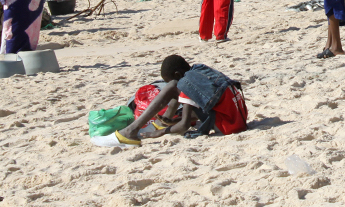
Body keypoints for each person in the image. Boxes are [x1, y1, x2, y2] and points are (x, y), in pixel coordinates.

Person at [92, 55, 247, 148]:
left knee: (174, 87)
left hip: (228, 126)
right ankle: (164, 120)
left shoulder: (186, 83)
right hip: (238, 119)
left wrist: (158, 133)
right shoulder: (199, 70)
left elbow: (184, 126)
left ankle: (130, 132)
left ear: (178, 74)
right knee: (176, 88)